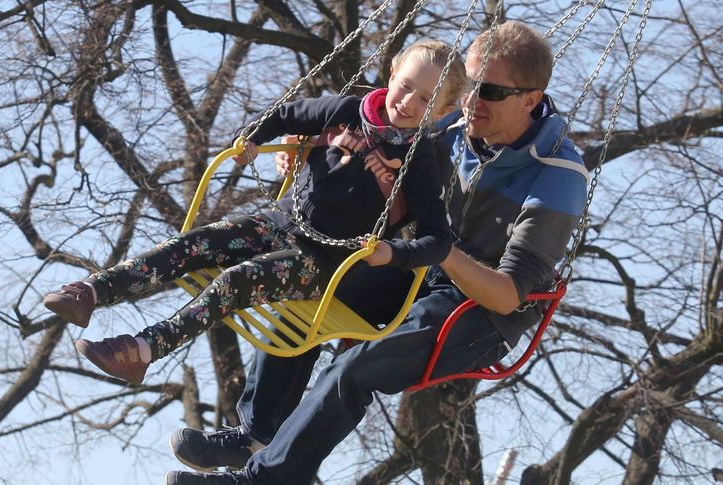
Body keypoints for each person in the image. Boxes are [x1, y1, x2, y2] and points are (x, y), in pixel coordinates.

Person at [163, 20, 590, 485]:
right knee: (306, 278)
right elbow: (362, 131)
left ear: (530, 99)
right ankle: (257, 432)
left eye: (489, 91)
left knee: (357, 367)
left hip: (480, 310)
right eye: (468, 86)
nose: (470, 101)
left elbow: (507, 296)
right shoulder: (448, 125)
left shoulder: (558, 174)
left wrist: (439, 249)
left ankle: (263, 480)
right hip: (416, 267)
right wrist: (304, 145)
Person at [42, 39, 467, 385]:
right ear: (392, 73)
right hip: (277, 221)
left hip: (322, 262)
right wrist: (252, 138)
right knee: (195, 242)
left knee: (238, 280)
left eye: (426, 100)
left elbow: (438, 240)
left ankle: (141, 351)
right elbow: (285, 115)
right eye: (406, 86)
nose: (409, 102)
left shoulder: (419, 161)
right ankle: (92, 292)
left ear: (443, 112)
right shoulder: (345, 110)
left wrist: (392, 253)